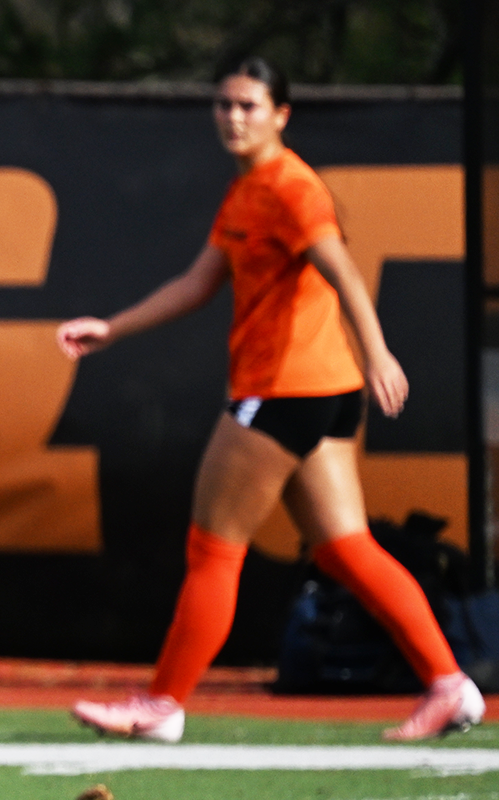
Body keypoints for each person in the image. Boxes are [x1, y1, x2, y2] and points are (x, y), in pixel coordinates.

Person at [59, 58, 482, 744]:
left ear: (281, 115)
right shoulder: (246, 190)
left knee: (213, 548)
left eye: (249, 106)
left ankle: (162, 704)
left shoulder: (292, 188)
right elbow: (198, 283)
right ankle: (449, 685)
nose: (234, 117)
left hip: (288, 390)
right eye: (224, 104)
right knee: (344, 549)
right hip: (318, 392)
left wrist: (378, 352)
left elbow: (344, 273)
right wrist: (113, 329)